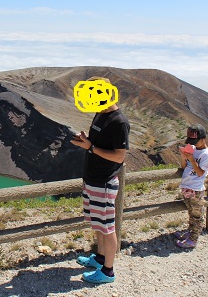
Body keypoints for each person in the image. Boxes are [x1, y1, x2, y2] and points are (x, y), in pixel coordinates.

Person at [70, 76, 130, 284]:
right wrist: (86, 140)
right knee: (98, 224)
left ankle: (107, 271)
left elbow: (119, 156)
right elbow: (97, 143)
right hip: (92, 179)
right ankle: (100, 258)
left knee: (107, 227)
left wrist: (91, 147)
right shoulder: (100, 113)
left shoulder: (118, 121)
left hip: (104, 182)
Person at [174, 124, 208, 248]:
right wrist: (184, 157)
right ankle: (190, 233)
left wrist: (191, 159)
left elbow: (201, 172)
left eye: (195, 141)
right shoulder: (193, 149)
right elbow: (184, 167)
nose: (193, 144)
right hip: (187, 186)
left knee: (196, 215)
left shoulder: (207, 154)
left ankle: (193, 240)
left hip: (196, 189)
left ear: (203, 138)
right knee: (191, 212)